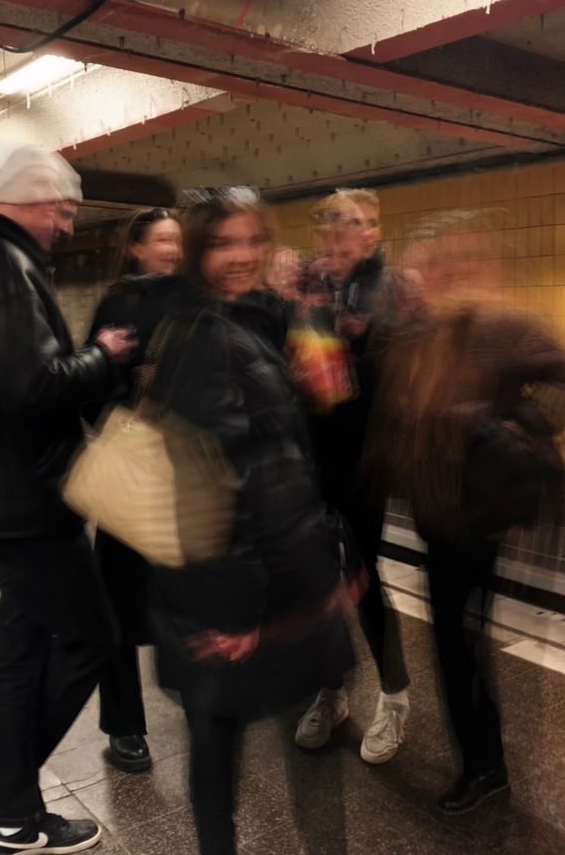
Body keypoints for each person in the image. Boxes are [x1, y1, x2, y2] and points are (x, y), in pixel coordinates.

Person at [131, 189, 354, 855]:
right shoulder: (202, 336)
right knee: (220, 737)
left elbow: (320, 408)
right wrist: (233, 613)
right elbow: (215, 486)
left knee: (230, 735)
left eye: (253, 240)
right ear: (197, 250)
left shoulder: (242, 319)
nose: (243, 255)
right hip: (240, 593)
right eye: (223, 243)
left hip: (271, 579)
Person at [0, 145, 135, 855]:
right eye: (65, 211)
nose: (68, 226)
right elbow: (32, 388)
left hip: (8, 499)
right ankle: (12, 785)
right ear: (35, 201)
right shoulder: (3, 273)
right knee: (91, 640)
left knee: (22, 653)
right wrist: (104, 356)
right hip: (29, 502)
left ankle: (15, 806)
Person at [370, 212, 565, 813]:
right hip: (437, 508)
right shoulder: (422, 332)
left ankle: (485, 765)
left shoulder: (506, 325)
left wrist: (515, 431)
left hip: (480, 513)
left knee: (456, 642)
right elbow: (397, 418)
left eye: (461, 260)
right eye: (438, 261)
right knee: (456, 641)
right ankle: (485, 759)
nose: (447, 271)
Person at [295, 191, 412, 765]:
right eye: (337, 224)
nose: (349, 234)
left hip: (365, 462)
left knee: (363, 582)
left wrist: (356, 337)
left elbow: (396, 376)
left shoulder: (394, 288)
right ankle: (332, 689)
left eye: (361, 224)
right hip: (313, 457)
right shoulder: (309, 287)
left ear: (374, 231)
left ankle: (394, 700)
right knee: (317, 585)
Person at [86, 207, 182, 773]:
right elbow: (91, 379)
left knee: (187, 596)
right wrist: (125, 403)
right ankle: (124, 727)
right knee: (118, 604)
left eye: (178, 239)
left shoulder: (198, 299)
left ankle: (197, 696)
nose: (173, 248)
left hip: (185, 475)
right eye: (162, 240)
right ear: (136, 249)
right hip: (131, 472)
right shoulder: (118, 302)